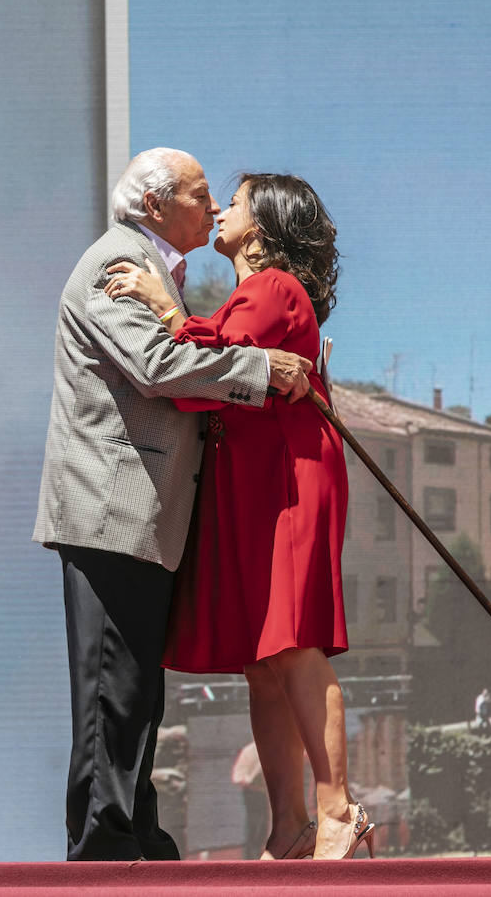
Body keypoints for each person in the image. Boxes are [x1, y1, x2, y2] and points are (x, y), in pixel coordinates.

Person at [33, 148, 314, 861]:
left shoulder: (151, 268)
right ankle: (104, 844)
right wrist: (261, 368)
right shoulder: (115, 262)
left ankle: (134, 829)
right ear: (155, 204)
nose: (214, 208)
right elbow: (157, 369)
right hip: (111, 506)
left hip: (140, 510)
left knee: (134, 689)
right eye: (199, 195)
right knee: (112, 687)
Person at [105, 173, 371, 860]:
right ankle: (289, 827)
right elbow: (221, 366)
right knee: (264, 659)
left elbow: (208, 373)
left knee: (293, 642)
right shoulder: (256, 294)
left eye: (239, 200)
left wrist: (166, 307)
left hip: (283, 478)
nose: (222, 209)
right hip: (255, 479)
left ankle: (336, 809)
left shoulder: (273, 288)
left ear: (266, 224)